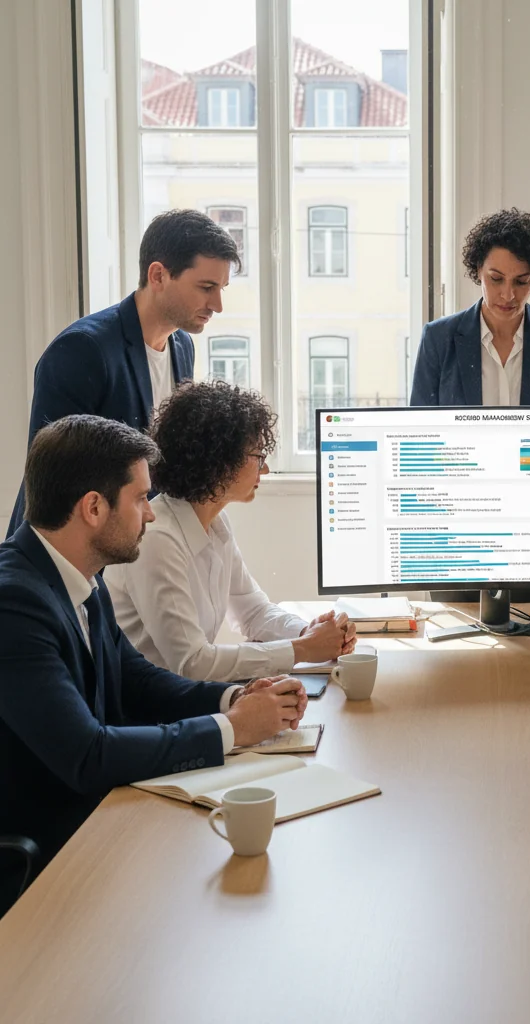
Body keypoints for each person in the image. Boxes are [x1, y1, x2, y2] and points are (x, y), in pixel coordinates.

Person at [0, 415, 307, 916]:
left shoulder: (78, 574)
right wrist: (231, 729)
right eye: (141, 498)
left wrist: (233, 698)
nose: (152, 514)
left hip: (103, 817)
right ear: (94, 508)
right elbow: (87, 755)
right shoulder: (14, 603)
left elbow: (134, 676)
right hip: (51, 855)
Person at [7, 209, 240, 537]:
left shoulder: (182, 346)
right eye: (206, 287)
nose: (217, 305)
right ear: (158, 275)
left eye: (221, 289)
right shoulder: (83, 350)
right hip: (69, 562)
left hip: (140, 550)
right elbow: (51, 480)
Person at [105, 380, 357, 682]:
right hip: (152, 712)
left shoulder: (215, 523)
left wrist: (309, 632)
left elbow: (253, 612)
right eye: (258, 456)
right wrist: (302, 648)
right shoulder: (157, 538)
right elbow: (192, 662)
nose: (263, 469)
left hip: (188, 698)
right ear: (220, 462)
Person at [410, 208, 530, 407]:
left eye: (521, 282)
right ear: (479, 270)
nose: (508, 295)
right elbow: (419, 427)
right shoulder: (438, 338)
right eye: (496, 279)